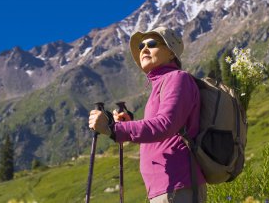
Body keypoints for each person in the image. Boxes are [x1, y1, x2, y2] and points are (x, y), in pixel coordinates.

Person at [88, 27, 207, 203]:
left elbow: (164, 125)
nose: (144, 48)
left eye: (152, 43)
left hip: (178, 183)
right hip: (166, 186)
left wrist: (113, 129)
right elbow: (164, 129)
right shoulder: (161, 84)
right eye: (141, 46)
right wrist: (130, 124)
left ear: (171, 53)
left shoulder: (176, 78)